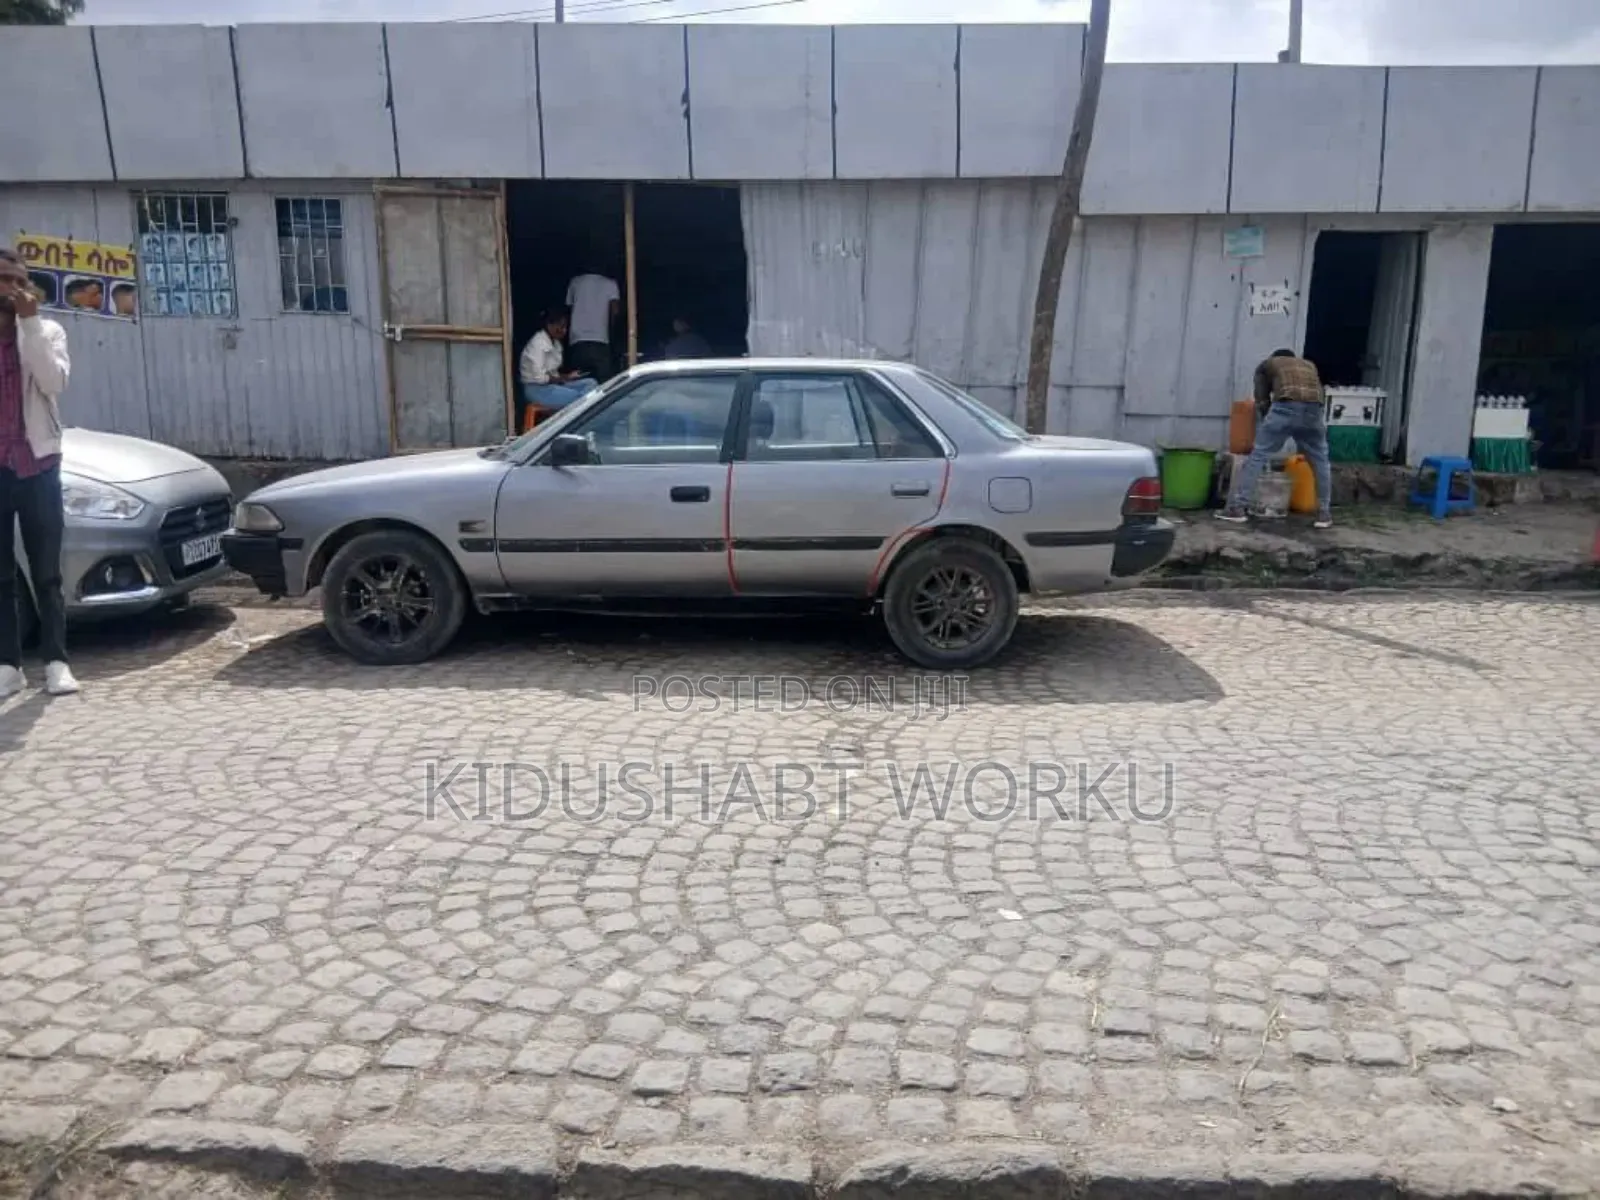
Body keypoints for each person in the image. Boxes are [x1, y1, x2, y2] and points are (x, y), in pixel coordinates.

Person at [0, 249, 78, 697]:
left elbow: (53, 383)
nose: (12, 289)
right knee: (1, 576)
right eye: (4, 280)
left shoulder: (47, 330)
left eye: (19, 280)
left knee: (47, 573)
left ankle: (56, 661)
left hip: (38, 465)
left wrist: (28, 324)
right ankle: (9, 665)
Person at [1217, 347, 1333, 529]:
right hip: (1314, 410)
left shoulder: (1267, 365)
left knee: (1259, 455)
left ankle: (1237, 508)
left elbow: (1262, 398)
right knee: (1321, 461)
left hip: (1285, 406)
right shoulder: (1309, 365)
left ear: (1275, 358)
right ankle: (1324, 514)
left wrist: (1267, 418)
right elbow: (1319, 394)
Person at [518, 307, 591, 413]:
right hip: (536, 389)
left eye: (565, 327)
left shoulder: (556, 344)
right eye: (561, 327)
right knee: (579, 398)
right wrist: (562, 379)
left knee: (591, 384)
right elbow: (540, 378)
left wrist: (569, 376)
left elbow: (554, 374)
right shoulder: (538, 343)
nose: (564, 331)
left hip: (552, 385)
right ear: (550, 325)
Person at [564, 269, 619, 381]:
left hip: (577, 339)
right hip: (601, 339)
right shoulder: (610, 283)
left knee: (578, 382)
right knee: (605, 384)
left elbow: (568, 310)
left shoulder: (575, 282)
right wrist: (611, 333)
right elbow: (615, 311)